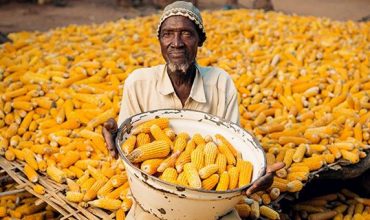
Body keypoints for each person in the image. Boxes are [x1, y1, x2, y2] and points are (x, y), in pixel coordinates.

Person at [103, 1, 284, 219]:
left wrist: (256, 175)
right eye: (168, 34)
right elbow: (128, 152)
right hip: (153, 203)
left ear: (200, 41)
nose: (176, 43)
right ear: (159, 41)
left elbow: (232, 153)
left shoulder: (220, 82)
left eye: (186, 34)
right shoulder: (139, 83)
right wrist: (115, 137)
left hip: (211, 204)